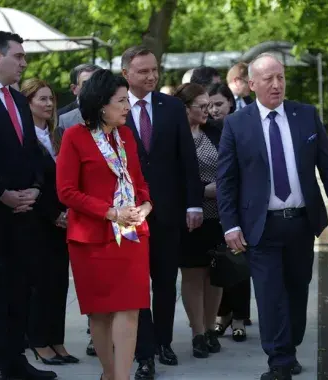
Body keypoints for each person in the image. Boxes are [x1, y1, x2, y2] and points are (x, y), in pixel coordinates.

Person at [216, 53, 328, 380]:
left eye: (280, 77)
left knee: (296, 290)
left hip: (301, 223)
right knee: (269, 294)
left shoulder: (305, 115)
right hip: (260, 227)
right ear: (252, 84)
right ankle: (278, 362)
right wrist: (230, 224)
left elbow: (327, 166)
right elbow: (227, 179)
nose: (276, 84)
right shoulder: (237, 123)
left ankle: (288, 347)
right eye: (268, 79)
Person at [56, 69, 152, 380]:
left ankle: (121, 377)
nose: (127, 107)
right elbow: (66, 192)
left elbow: (138, 182)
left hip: (131, 235)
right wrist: (109, 212)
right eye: (121, 101)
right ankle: (109, 374)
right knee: (99, 312)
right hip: (92, 238)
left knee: (131, 308)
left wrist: (146, 205)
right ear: (101, 105)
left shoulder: (125, 135)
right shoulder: (74, 137)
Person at [0, 31, 57, 380]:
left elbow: (31, 154)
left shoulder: (20, 102)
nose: (24, 63)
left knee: (18, 289)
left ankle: (14, 361)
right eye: (18, 56)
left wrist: (36, 190)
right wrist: (0, 194)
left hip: (22, 217)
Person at [119, 46, 203, 380]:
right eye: (143, 71)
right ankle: (145, 347)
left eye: (155, 70)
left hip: (168, 212)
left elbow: (187, 160)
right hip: (130, 214)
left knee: (165, 281)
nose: (152, 76)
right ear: (126, 74)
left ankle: (164, 342)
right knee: (136, 284)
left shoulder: (171, 108)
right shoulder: (116, 108)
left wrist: (194, 203)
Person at [20, 79, 78, 366]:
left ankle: (57, 339)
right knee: (39, 284)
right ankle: (38, 342)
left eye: (50, 99)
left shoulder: (58, 135)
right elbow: (32, 182)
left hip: (64, 220)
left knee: (59, 283)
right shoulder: (23, 137)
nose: (48, 104)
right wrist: (53, 213)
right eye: (41, 99)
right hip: (38, 221)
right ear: (27, 102)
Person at [174, 83, 224, 359]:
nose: (209, 111)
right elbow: (170, 177)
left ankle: (210, 327)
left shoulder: (215, 131)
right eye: (202, 107)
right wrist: (201, 190)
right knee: (193, 274)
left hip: (218, 215)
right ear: (185, 108)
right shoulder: (172, 136)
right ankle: (197, 333)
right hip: (187, 216)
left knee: (215, 275)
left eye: (210, 106)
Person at [206, 82, 251, 341]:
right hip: (213, 206)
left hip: (240, 205)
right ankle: (222, 316)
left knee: (240, 263)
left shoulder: (241, 126)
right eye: (209, 105)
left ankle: (239, 317)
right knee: (221, 264)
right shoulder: (206, 131)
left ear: (230, 103)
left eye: (219, 104)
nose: (213, 110)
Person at [59, 64, 101, 130]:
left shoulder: (117, 112)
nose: (94, 88)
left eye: (98, 82)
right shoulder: (60, 118)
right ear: (74, 89)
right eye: (87, 84)